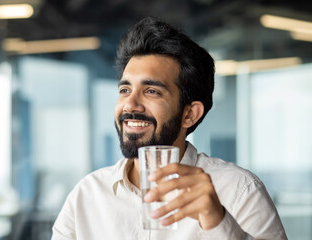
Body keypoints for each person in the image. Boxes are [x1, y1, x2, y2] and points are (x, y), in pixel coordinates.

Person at [51, 17, 287, 239]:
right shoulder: (87, 195)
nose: (130, 104)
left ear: (189, 114)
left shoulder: (239, 190)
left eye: (151, 91)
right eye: (124, 90)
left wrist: (218, 222)